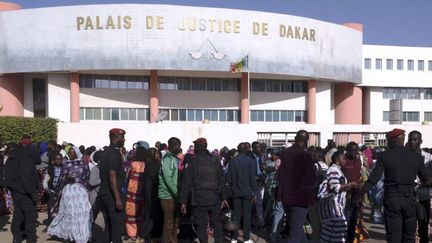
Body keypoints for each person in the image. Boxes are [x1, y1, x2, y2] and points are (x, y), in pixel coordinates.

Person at [354, 128, 432, 242]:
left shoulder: (385, 156)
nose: (387, 143)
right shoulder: (416, 157)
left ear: (394, 140)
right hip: (410, 200)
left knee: (394, 236)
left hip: (392, 200)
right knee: (409, 237)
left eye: (388, 140)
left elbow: (372, 180)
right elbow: (427, 180)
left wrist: (359, 195)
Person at [179, 137, 227, 243]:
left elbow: (186, 182)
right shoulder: (215, 159)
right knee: (216, 223)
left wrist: (183, 201)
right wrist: (224, 197)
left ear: (198, 147)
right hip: (214, 198)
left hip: (199, 199)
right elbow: (221, 180)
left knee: (201, 224)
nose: (194, 148)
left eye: (195, 146)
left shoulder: (193, 160)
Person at [277, 130, 316, 242]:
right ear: (307, 140)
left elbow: (280, 174)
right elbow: (311, 177)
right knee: (294, 233)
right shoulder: (305, 155)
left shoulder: (284, 152)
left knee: (297, 229)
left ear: (295, 138)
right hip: (299, 198)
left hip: (286, 197)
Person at [48, 146, 91, 243]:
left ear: (76, 153)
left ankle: (83, 234)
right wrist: (67, 180)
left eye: (71, 153)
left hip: (80, 192)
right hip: (69, 191)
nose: (69, 155)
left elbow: (87, 177)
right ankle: (71, 234)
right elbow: (62, 178)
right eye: (69, 153)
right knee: (70, 213)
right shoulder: (67, 164)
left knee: (82, 214)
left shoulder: (84, 164)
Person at [318, 150, 359, 242]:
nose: (345, 160)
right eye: (343, 158)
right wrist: (349, 185)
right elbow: (334, 187)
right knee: (338, 229)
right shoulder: (334, 170)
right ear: (337, 159)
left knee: (330, 231)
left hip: (334, 206)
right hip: (333, 206)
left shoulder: (337, 169)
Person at [4, 136, 39, 243]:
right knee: (31, 214)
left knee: (18, 214)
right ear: (27, 145)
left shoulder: (11, 157)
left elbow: (7, 175)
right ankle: (30, 238)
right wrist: (32, 192)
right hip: (24, 191)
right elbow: (26, 177)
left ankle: (17, 237)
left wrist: (10, 187)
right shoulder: (25, 157)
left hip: (15, 190)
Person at [97, 128, 127, 243]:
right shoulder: (114, 153)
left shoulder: (106, 152)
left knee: (109, 224)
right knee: (116, 225)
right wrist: (118, 198)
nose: (124, 139)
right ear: (115, 138)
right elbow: (112, 176)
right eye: (122, 137)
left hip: (105, 192)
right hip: (112, 194)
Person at [226, 142, 257, 243]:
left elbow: (229, 178)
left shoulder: (232, 162)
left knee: (236, 215)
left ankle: (234, 237)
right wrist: (255, 192)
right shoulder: (250, 161)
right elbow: (253, 178)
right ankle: (246, 238)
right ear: (246, 150)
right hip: (247, 192)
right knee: (247, 216)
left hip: (235, 192)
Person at [407, 130, 432, 243]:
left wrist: (423, 183)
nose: (413, 142)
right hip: (407, 196)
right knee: (408, 226)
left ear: (421, 141)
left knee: (423, 224)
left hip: (423, 196)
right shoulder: (403, 157)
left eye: (415, 139)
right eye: (410, 139)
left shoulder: (429, 158)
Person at [159, 137, 182, 243]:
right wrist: (176, 192)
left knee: (174, 221)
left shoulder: (173, 158)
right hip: (167, 195)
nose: (179, 148)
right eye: (178, 145)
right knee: (169, 221)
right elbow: (168, 178)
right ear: (172, 146)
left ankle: (172, 239)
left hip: (172, 194)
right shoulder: (167, 159)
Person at [341, 141, 365, 243]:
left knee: (354, 219)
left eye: (356, 150)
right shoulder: (343, 160)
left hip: (356, 194)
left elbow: (360, 176)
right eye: (352, 150)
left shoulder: (358, 160)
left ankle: (351, 239)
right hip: (345, 194)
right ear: (347, 150)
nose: (354, 152)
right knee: (345, 219)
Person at [125, 146, 147, 241]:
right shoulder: (146, 164)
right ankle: (139, 231)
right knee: (141, 212)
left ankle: (131, 233)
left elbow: (128, 177)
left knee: (131, 213)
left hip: (132, 193)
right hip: (142, 192)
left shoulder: (133, 164)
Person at [251, 141, 265, 227]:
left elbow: (261, 168)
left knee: (259, 203)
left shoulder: (260, 156)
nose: (260, 149)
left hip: (260, 181)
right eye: (258, 147)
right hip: (253, 182)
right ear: (253, 148)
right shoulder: (250, 157)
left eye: (260, 147)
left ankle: (261, 222)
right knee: (251, 203)